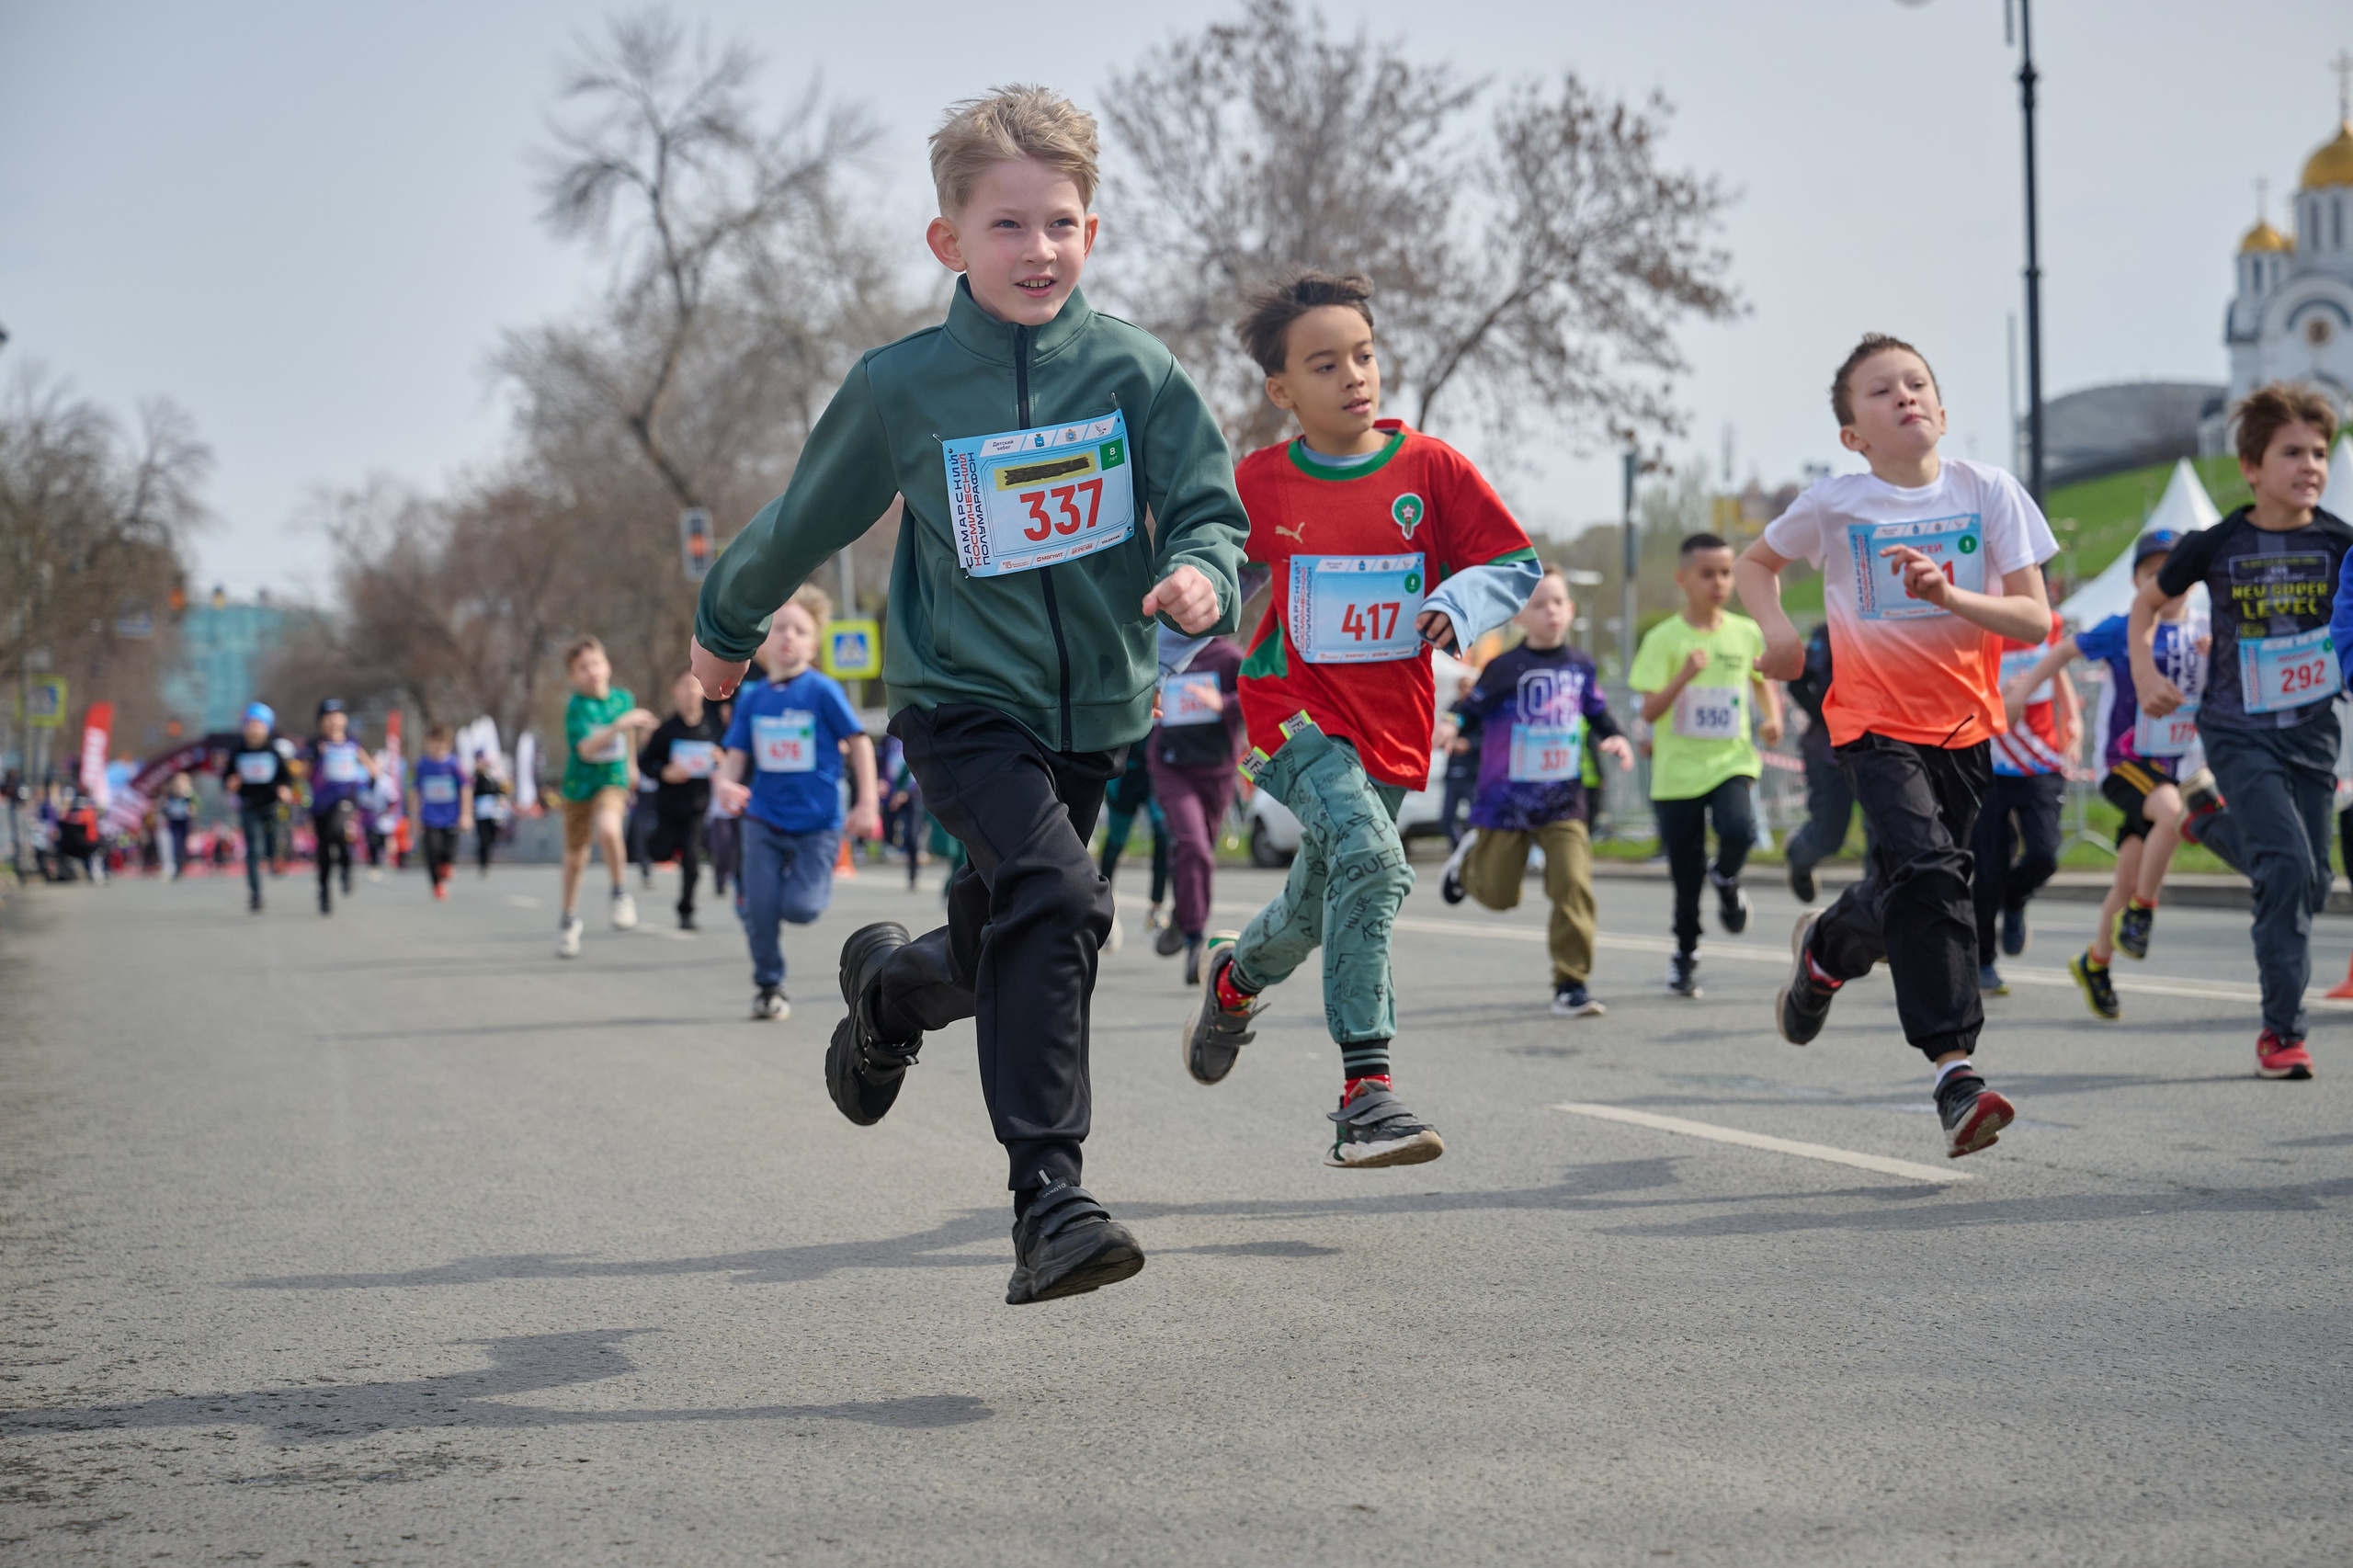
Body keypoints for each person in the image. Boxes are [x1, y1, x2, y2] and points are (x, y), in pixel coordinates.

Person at [689, 86, 1245, 1305]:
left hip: (1095, 712)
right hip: (960, 702)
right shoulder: (905, 388)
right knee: (1065, 895)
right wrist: (724, 629)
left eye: (1060, 223)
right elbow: (802, 520)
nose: (1037, 249)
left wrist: (1204, 573)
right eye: (1007, 224)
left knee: (1008, 936)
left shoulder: (1136, 371)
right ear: (949, 239)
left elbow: (1210, 508)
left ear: (1092, 232)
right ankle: (1050, 1199)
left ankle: (890, 992)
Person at [1178, 267, 1538, 1168]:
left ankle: (1234, 978)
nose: (1354, 376)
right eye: (1326, 363)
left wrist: (1458, 601)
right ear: (1282, 391)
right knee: (1375, 865)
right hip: (1290, 715)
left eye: (1365, 356)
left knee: (1315, 905)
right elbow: (1203, 575)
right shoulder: (1259, 482)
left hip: (1391, 725)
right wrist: (1150, 661)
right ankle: (1364, 1094)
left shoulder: (1431, 470)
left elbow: (1512, 563)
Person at [1735, 332, 2057, 1161]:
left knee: (1909, 886)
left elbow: (2034, 619)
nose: (1904, 396)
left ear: (1943, 412)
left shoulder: (1989, 490)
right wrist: (1777, 633)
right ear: (1853, 435)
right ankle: (1956, 1076)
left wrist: (1952, 596)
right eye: (1881, 392)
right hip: (1871, 723)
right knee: (1935, 872)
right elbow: (1755, 565)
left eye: (1917, 384)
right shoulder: (1835, 503)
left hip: (1964, 727)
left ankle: (1824, 953)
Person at [2148, 384, 2346, 1079]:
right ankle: (2281, 1033)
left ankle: (2206, 822)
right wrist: (2144, 671)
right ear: (2252, 467)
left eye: (2319, 452)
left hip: (2313, 731)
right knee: (2286, 867)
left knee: (2312, 882)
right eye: (2292, 452)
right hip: (2237, 730)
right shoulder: (2218, 543)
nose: (2310, 465)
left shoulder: (2341, 542)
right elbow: (2147, 605)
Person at [2008, 531, 2206, 1018]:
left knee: (2128, 875)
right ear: (2137, 582)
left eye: (2175, 571)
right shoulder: (2124, 628)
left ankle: (2096, 962)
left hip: (2175, 765)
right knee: (2172, 815)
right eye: (2153, 574)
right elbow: (2062, 651)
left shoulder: (2207, 630)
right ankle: (2142, 914)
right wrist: (2022, 693)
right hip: (2125, 764)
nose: (2167, 582)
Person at [1439, 569, 1635, 1016]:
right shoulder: (1503, 668)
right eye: (1539, 604)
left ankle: (1571, 984)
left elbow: (1598, 712)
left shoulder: (1580, 665)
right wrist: (1451, 726)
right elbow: (1469, 710)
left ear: (1571, 610)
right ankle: (1466, 869)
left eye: (1558, 602)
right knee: (1500, 896)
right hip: (1506, 801)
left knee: (1573, 884)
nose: (1551, 612)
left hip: (1563, 800)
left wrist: (1615, 737)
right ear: (1520, 616)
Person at [715, 588, 879, 1018]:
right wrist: (724, 786)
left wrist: (867, 803)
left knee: (800, 909)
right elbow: (734, 758)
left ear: (814, 644)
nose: (788, 637)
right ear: (761, 642)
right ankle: (769, 985)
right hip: (763, 818)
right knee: (761, 908)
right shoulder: (752, 698)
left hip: (818, 821)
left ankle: (762, 894)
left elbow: (860, 743)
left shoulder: (822, 690)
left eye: (800, 631)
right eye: (779, 628)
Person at [1631, 533, 1782, 997]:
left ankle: (1727, 877)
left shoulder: (1745, 631)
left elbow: (1762, 681)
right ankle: (1685, 955)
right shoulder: (1663, 639)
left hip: (1730, 759)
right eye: (1707, 574)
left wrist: (1773, 718)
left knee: (1739, 830)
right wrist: (1684, 675)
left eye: (1726, 573)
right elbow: (1649, 710)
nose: (1719, 582)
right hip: (1677, 773)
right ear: (1683, 579)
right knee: (1685, 874)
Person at [1972, 597, 2078, 994]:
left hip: (2040, 758)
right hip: (1988, 760)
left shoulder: (2047, 621)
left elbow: (2056, 667)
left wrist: (2073, 718)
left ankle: (2015, 899)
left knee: (2044, 853)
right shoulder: (1973, 619)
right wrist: (1998, 696)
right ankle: (1983, 960)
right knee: (1988, 867)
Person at [1147, 631, 1248, 983]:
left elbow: (1257, 696)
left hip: (1216, 771)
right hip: (1172, 767)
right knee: (1195, 847)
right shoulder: (1161, 652)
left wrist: (1224, 703)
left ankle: (1183, 914)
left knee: (1198, 853)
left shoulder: (1229, 657)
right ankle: (1195, 941)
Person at [554, 637, 657, 959]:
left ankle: (619, 892)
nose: (592, 672)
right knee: (576, 858)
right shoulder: (577, 708)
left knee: (609, 829)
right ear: (573, 676)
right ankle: (569, 918)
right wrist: (616, 727)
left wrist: (632, 766)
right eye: (583, 668)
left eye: (596, 664)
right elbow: (586, 749)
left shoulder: (623, 699)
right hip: (579, 786)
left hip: (612, 780)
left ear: (608, 666)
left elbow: (628, 736)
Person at [639, 668, 727, 930]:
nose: (691, 692)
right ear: (675, 692)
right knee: (660, 851)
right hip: (668, 806)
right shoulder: (666, 730)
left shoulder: (713, 728)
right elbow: (646, 763)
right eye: (685, 686)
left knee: (692, 861)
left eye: (695, 686)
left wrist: (721, 759)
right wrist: (664, 772)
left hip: (697, 807)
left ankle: (686, 910)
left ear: (702, 692)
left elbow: (730, 755)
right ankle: (649, 845)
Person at [1781, 623, 1858, 902]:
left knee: (1883, 837)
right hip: (1828, 753)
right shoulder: (1829, 633)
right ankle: (1798, 853)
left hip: (1879, 749)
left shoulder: (1888, 627)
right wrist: (1830, 718)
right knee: (1829, 837)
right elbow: (1797, 684)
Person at [304, 699, 378, 916]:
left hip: (345, 799)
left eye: (338, 716)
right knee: (324, 849)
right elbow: (303, 772)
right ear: (321, 721)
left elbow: (369, 765)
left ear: (344, 719)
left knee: (338, 831)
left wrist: (373, 773)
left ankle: (346, 867)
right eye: (328, 717)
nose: (334, 721)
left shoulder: (352, 743)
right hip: (320, 805)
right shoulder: (315, 745)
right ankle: (324, 891)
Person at [1096, 746, 1167, 952]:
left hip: (1155, 770)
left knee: (1163, 835)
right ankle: (1105, 903)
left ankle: (1156, 908)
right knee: (1116, 841)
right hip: (1125, 769)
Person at [222, 704, 291, 911]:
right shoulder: (238, 751)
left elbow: (286, 777)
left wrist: (284, 789)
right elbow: (226, 777)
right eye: (250, 725)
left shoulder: (273, 750)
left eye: (258, 725)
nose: (253, 730)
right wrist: (230, 783)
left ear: (266, 728)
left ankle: (274, 859)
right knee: (253, 849)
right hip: (249, 806)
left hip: (271, 806)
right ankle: (255, 894)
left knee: (271, 845)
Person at [413, 723, 471, 901]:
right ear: (428, 743)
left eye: (442, 744)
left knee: (448, 849)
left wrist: (466, 814)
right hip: (430, 816)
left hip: (451, 816)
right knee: (432, 850)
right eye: (435, 743)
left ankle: (447, 865)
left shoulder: (454, 764)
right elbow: (415, 791)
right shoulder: (423, 765)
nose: (438, 748)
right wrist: (415, 817)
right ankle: (436, 884)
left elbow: (465, 788)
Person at [470, 755, 506, 876]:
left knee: (491, 838)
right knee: (483, 839)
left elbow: (499, 793)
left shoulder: (492, 780)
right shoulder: (475, 779)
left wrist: (500, 801)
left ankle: (486, 860)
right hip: (480, 814)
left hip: (491, 814)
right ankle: (482, 862)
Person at [160, 771, 196, 879]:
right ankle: (175, 865)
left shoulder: (188, 794)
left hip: (183, 821)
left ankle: (180, 864)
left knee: (182, 843)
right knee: (175, 843)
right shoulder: (170, 793)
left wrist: (191, 810)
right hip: (174, 822)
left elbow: (193, 806)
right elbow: (165, 807)